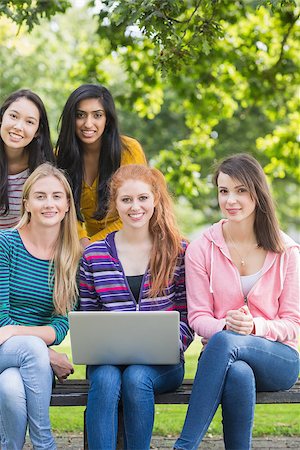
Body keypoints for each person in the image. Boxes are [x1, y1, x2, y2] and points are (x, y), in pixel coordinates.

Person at [174, 153, 300, 450]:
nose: (231, 199)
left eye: (241, 190)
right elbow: (198, 318)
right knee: (238, 371)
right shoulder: (201, 249)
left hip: (277, 359)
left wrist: (253, 326)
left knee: (227, 341)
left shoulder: (287, 252)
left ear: (257, 192)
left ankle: (184, 446)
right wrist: (226, 324)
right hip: (223, 358)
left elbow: (293, 324)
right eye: (223, 191)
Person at [79, 164, 194, 450]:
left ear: (155, 199)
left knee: (136, 376)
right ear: (115, 204)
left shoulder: (177, 251)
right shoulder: (94, 254)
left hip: (162, 364)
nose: (135, 207)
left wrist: (168, 343)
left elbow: (187, 314)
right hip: (107, 359)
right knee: (105, 380)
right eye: (126, 199)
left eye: (142, 198)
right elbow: (87, 315)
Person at [0, 163, 82, 450]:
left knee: (10, 388)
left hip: (25, 359)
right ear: (27, 204)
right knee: (33, 350)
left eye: (57, 196)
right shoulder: (5, 244)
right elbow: (1, 319)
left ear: (68, 204)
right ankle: (44, 443)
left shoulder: (72, 257)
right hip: (4, 348)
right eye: (40, 196)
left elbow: (61, 326)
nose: (50, 204)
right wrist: (45, 352)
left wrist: (15, 332)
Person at [56, 84, 147, 248]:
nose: (88, 124)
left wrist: (91, 245)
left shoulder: (129, 150)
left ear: (107, 119)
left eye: (97, 115)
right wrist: (82, 240)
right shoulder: (60, 156)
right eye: (80, 115)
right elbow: (64, 208)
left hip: (133, 239)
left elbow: (137, 208)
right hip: (84, 246)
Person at [0, 89, 55, 229]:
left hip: (17, 245)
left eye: (29, 122)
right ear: (2, 118)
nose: (18, 127)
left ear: (37, 131)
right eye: (13, 116)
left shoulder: (41, 170)